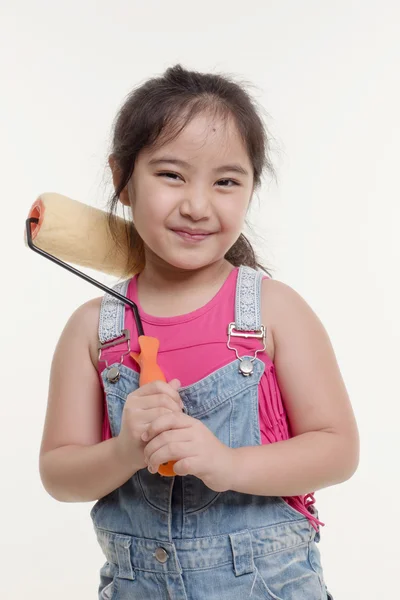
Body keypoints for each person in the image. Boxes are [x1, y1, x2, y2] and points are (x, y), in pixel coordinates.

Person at [39, 64, 359, 599]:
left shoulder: (274, 312)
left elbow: (338, 449)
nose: (197, 205)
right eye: (171, 175)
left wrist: (229, 464)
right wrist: (124, 451)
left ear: (252, 189)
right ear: (122, 179)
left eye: (226, 181)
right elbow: (58, 473)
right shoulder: (94, 329)